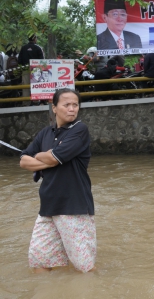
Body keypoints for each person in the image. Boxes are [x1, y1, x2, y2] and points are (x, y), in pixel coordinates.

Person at [19, 88, 96, 273]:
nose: (72, 109)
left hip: (73, 207)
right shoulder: (45, 133)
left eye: (75, 105)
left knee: (84, 268)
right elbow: (23, 161)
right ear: (54, 108)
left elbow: (54, 158)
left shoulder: (79, 130)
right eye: (66, 105)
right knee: (40, 263)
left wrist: (40, 157)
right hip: (47, 206)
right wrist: (45, 158)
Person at [18, 34, 44, 105]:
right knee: (36, 85)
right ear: (35, 39)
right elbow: (42, 60)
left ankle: (26, 103)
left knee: (25, 86)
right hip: (36, 70)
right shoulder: (38, 48)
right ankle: (36, 101)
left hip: (25, 69)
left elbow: (19, 60)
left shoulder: (23, 48)